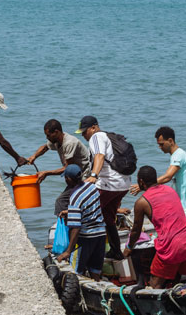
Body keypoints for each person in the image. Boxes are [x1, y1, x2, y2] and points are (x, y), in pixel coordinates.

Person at [123, 166, 186, 289]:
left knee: (155, 285)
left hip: (170, 247)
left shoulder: (141, 202)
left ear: (141, 182)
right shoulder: (170, 190)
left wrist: (129, 247)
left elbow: (136, 231)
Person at [77, 115, 130, 260]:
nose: (83, 135)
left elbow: (99, 156)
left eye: (84, 131)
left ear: (93, 127)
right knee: (108, 218)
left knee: (87, 214)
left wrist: (94, 175)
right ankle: (116, 251)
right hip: (123, 185)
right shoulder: (109, 137)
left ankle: (87, 255)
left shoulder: (96, 137)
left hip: (108, 184)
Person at [27, 119, 91, 216]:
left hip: (83, 176)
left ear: (56, 132)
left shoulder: (69, 143)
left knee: (61, 201)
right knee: (70, 201)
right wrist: (34, 156)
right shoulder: (57, 140)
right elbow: (45, 147)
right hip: (73, 176)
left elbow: (68, 168)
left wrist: (47, 173)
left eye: (48, 135)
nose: (47, 138)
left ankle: (66, 226)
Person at [57, 164, 107, 279]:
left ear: (68, 179)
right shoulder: (91, 186)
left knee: (76, 272)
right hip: (101, 234)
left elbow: (76, 227)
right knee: (95, 270)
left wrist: (68, 251)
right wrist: (69, 212)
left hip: (86, 238)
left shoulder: (75, 198)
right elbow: (88, 208)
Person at [129, 126, 186, 206]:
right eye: (159, 144)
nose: (160, 147)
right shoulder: (177, 154)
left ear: (170, 141)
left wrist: (144, 186)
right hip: (183, 202)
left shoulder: (178, 155)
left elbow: (167, 177)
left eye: (162, 144)